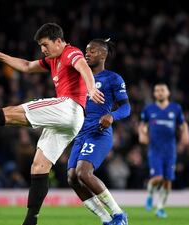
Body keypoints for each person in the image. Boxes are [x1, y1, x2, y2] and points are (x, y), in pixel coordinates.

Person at [0, 23, 104, 225]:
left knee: (9, 113)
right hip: (71, 121)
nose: (43, 50)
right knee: (39, 166)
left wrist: (91, 88)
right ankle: (30, 222)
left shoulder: (70, 52)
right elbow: (26, 66)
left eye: (45, 45)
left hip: (69, 107)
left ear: (58, 41)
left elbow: (83, 66)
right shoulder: (53, 59)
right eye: (41, 46)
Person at [67, 38, 130, 225]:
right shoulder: (79, 77)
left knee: (83, 173)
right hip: (80, 133)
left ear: (104, 54)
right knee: (72, 178)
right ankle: (105, 219)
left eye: (92, 51)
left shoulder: (113, 78)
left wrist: (111, 116)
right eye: (86, 51)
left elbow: (127, 108)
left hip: (98, 132)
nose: (87, 54)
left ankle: (119, 214)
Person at [138, 83, 189, 218]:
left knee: (167, 181)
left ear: (168, 93)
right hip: (155, 150)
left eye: (162, 90)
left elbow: (182, 124)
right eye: (157, 90)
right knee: (158, 178)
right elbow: (142, 125)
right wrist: (142, 134)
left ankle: (160, 208)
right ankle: (150, 195)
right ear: (154, 94)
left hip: (170, 150)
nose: (160, 92)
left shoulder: (176, 108)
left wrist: (186, 133)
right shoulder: (149, 109)